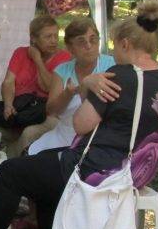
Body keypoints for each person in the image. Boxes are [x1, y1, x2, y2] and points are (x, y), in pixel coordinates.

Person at [0, 0, 158, 229]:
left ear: (126, 44)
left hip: (98, 169)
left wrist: (88, 88)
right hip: (135, 168)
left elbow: (81, 124)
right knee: (45, 159)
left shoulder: (119, 76)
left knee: (10, 171)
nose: (111, 51)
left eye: (113, 45)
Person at [27, 18, 116, 155]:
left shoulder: (112, 66)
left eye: (93, 39)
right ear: (70, 48)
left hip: (99, 138)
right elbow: (51, 111)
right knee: (33, 156)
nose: (89, 46)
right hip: (65, 134)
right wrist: (67, 94)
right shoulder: (62, 71)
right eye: (81, 42)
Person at [0, 15, 71, 158]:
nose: (54, 41)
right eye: (48, 37)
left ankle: (10, 168)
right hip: (20, 110)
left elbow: (48, 87)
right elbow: (8, 82)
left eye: (55, 35)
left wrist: (37, 60)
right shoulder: (20, 53)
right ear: (33, 38)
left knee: (29, 134)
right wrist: (8, 105)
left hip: (45, 115)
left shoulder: (64, 58)